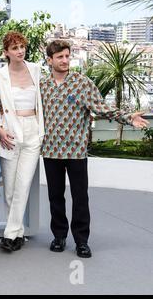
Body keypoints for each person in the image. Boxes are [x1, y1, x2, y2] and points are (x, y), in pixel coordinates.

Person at [40, 40, 149, 258]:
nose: (64, 60)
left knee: (80, 197)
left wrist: (128, 118)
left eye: (67, 56)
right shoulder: (42, 86)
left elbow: (103, 108)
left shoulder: (82, 83)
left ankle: (81, 241)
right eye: (59, 57)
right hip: (50, 150)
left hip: (76, 151)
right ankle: (59, 236)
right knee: (55, 196)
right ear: (49, 60)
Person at [0, 31, 45, 253]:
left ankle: (9, 233)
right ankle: (18, 232)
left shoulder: (36, 70)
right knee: (10, 189)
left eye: (22, 46)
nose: (20, 51)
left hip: (33, 130)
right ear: (6, 52)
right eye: (15, 48)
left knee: (23, 185)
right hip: (10, 132)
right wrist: (0, 128)